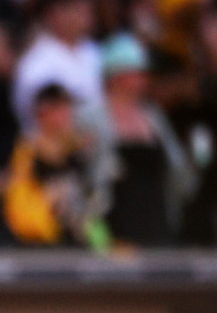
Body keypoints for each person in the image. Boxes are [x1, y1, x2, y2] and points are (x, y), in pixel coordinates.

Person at [79, 32, 196, 248]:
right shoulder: (89, 116)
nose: (144, 79)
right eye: (137, 73)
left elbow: (176, 167)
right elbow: (84, 172)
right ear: (116, 76)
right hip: (112, 222)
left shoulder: (153, 116)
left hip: (155, 219)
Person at [4, 83, 107, 249]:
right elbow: (21, 206)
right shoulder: (28, 151)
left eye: (69, 108)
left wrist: (102, 244)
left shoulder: (76, 150)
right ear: (42, 113)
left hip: (81, 244)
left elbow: (90, 206)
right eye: (61, 109)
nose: (68, 115)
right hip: (42, 246)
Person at [12, 0, 102, 129]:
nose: (85, 10)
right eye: (74, 5)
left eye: (86, 2)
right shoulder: (36, 63)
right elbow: (48, 126)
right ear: (51, 12)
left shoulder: (91, 50)